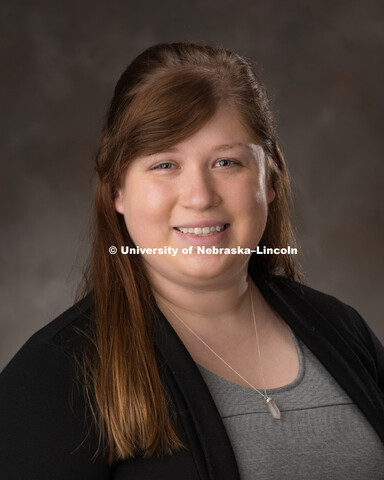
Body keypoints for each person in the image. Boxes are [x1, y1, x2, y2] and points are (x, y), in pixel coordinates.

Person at [1, 42, 383, 480]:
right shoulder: (54, 376)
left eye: (226, 161)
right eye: (165, 164)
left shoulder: (340, 329)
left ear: (270, 177)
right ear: (117, 191)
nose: (200, 196)